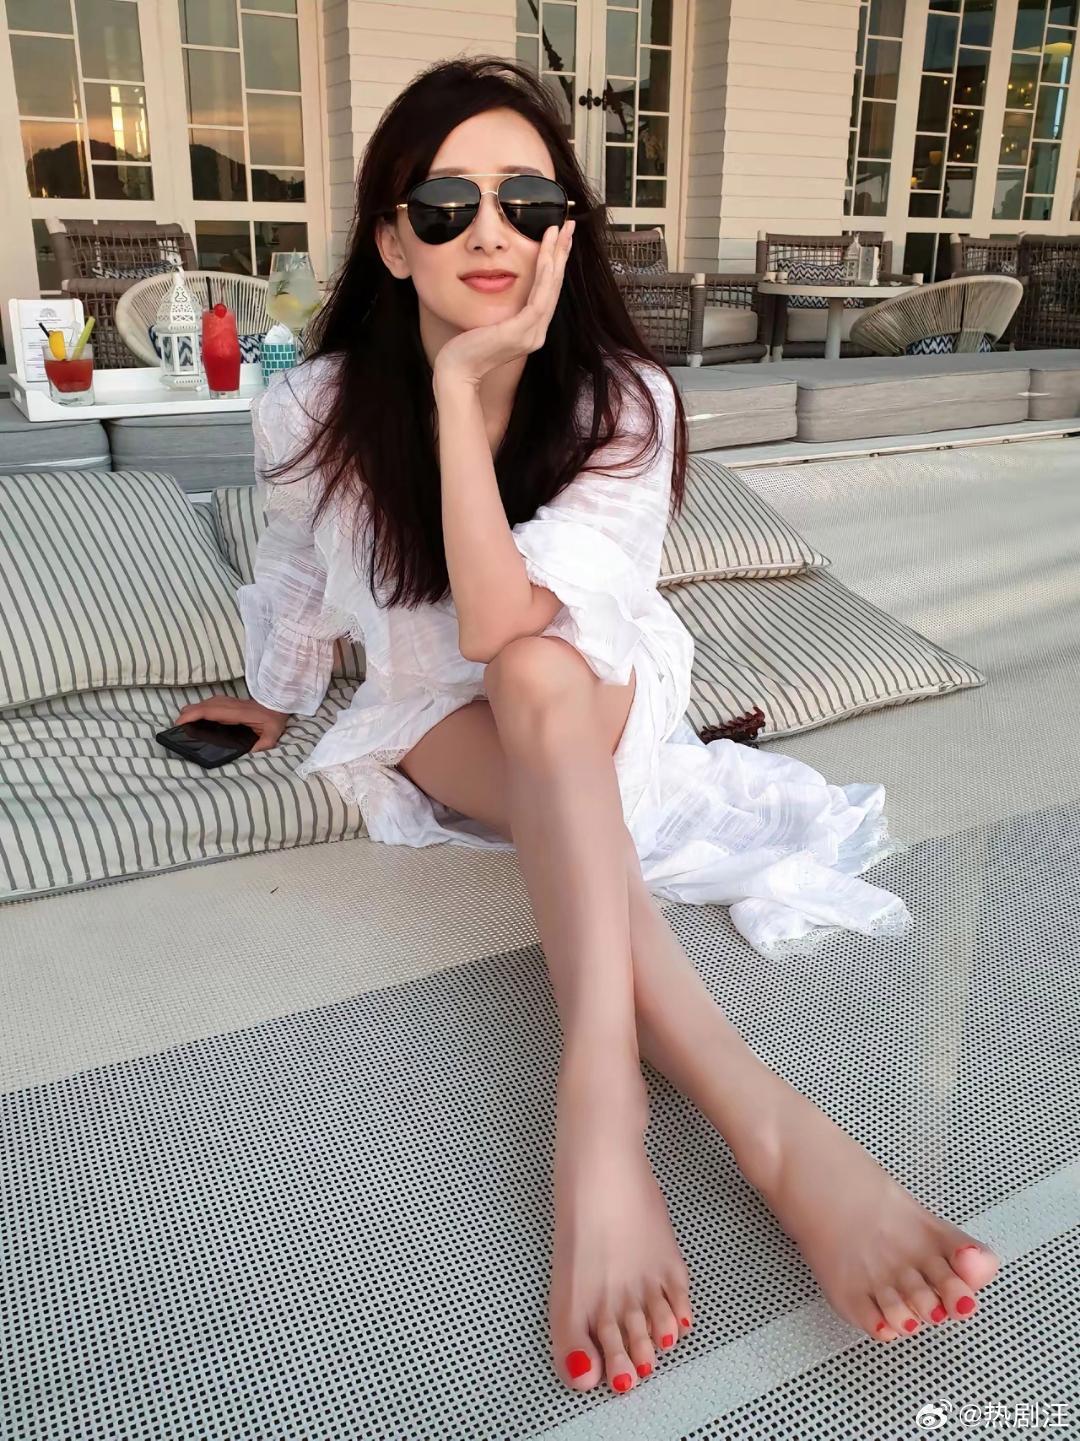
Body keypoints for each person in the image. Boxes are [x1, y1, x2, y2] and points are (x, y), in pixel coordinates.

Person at [175, 56, 999, 1397]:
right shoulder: (310, 409)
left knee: (538, 673)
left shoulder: (624, 397)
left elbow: (512, 624)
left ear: (568, 228)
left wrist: (463, 392)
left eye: (527, 200)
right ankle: (765, 1124)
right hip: (434, 711)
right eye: (443, 205)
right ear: (390, 240)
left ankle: (600, 1111)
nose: (487, 231)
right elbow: (299, 567)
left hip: (593, 696)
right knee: (511, 698)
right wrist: (274, 692)